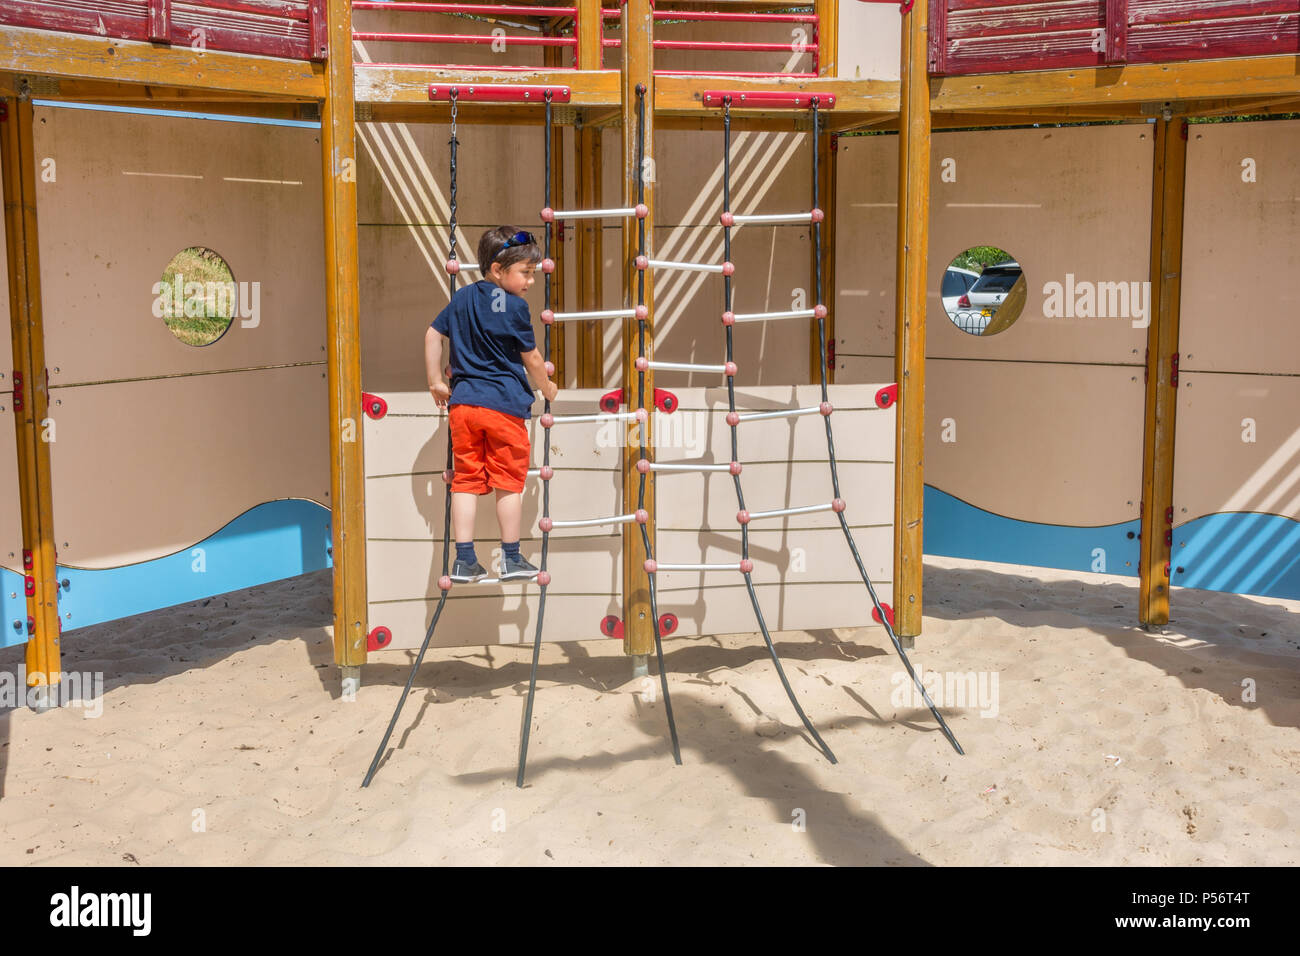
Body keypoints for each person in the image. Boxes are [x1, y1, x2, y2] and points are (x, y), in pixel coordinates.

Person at [425, 226, 559, 582]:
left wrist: (436, 381)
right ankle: (512, 557)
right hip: (503, 407)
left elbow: (432, 334)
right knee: (508, 483)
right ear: (498, 270)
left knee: (466, 481)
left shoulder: (462, 298)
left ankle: (464, 560)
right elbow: (531, 358)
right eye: (526, 273)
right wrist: (547, 387)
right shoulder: (514, 307)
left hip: (464, 406)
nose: (531, 281)